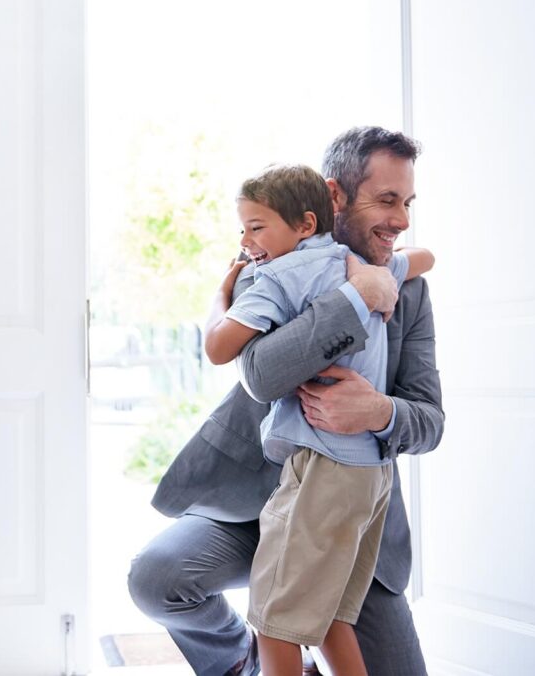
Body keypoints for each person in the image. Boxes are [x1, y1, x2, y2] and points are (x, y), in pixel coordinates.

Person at [127, 126, 444, 676]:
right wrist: (354, 297)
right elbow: (259, 372)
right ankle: (245, 663)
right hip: (256, 501)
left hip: (346, 516)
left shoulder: (406, 290)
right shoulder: (271, 265)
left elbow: (430, 420)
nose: (401, 219)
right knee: (157, 578)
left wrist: (379, 411)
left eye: (408, 202)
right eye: (387, 200)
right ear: (335, 196)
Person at [202, 163, 433, 675]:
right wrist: (369, 279)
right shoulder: (355, 263)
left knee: (275, 619)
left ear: (305, 224)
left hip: (322, 470)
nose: (246, 241)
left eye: (256, 227)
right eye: (243, 228)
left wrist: (223, 290)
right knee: (328, 617)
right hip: (372, 476)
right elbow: (425, 258)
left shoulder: (275, 276)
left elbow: (219, 348)